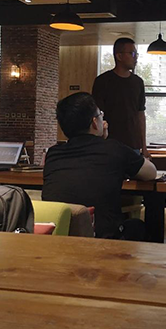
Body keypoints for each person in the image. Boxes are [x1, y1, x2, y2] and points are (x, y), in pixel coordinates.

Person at [43, 92, 157, 240]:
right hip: (102, 239)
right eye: (100, 114)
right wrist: (103, 141)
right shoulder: (114, 149)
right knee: (139, 227)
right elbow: (151, 173)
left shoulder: (53, 154)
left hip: (58, 237)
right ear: (94, 122)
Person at [92, 37, 149, 157]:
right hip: (109, 144)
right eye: (132, 53)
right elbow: (96, 115)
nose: (135, 58)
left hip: (133, 144)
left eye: (136, 54)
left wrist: (144, 147)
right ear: (119, 56)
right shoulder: (103, 81)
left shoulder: (138, 82)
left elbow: (140, 115)